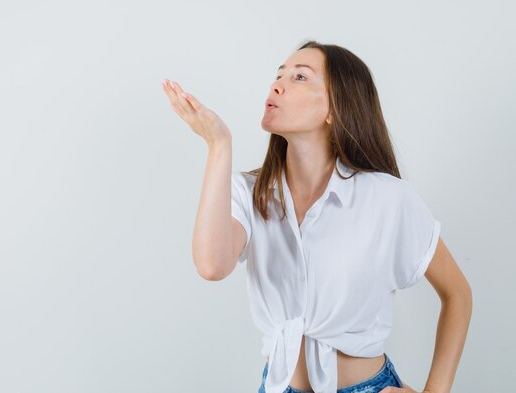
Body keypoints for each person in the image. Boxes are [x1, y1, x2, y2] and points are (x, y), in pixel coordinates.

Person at [161, 40, 472, 393]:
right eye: (278, 75)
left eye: (299, 77)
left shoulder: (388, 198)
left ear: (334, 110)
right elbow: (211, 266)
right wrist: (219, 145)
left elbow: (457, 294)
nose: (277, 84)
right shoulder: (250, 193)